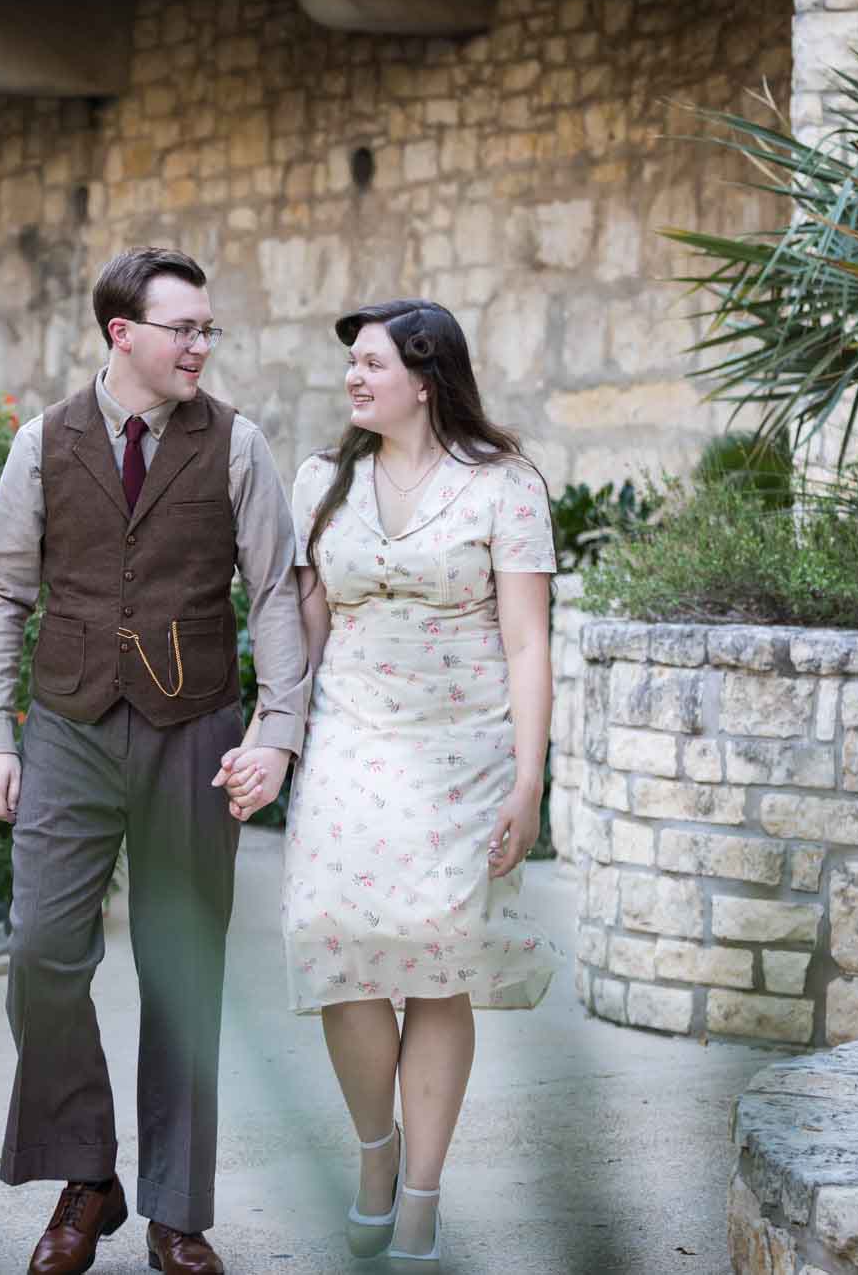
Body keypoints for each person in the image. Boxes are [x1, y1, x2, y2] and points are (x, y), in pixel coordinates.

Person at [0, 246, 308, 1275]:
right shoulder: (41, 443)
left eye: (207, 329)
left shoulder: (238, 446)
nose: (201, 344)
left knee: (181, 966)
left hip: (193, 729)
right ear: (124, 335)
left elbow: (277, 595)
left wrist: (275, 730)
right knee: (40, 953)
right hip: (66, 724)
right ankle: (87, 1171)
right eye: (183, 328)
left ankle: (174, 1207)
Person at [247, 298, 559, 1266]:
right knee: (337, 947)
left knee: (435, 964)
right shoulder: (318, 482)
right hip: (349, 745)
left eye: (371, 363)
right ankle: (372, 1153)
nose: (352, 377)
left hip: (461, 754)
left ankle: (419, 1190)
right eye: (352, 364)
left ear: (424, 379)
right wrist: (274, 737)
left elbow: (525, 640)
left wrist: (526, 780)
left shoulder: (502, 486)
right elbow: (299, 628)